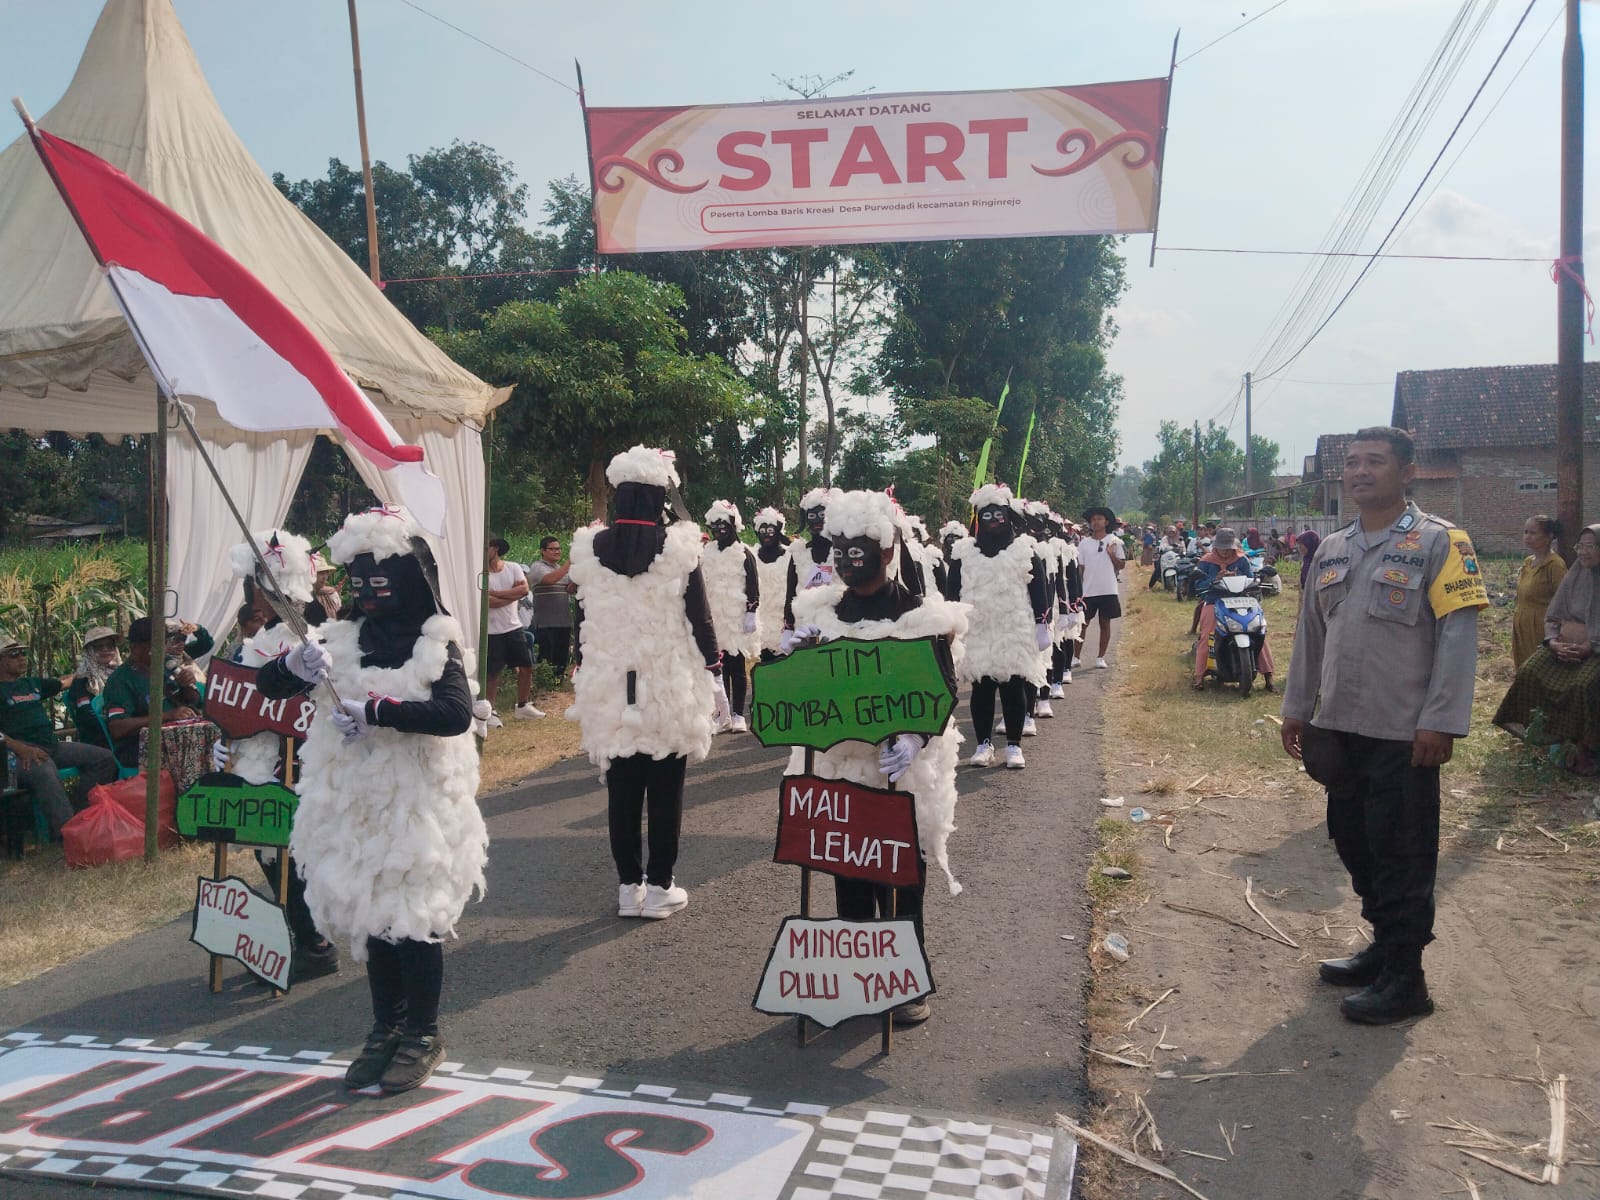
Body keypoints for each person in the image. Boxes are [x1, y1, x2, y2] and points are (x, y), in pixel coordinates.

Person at [257, 505, 485, 1093]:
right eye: (358, 579)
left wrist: (378, 710)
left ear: (408, 577)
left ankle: (423, 1033)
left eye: (379, 576)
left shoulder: (435, 640)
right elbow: (268, 685)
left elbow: (455, 713)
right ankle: (386, 1027)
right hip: (354, 805)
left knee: (412, 919)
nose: (367, 589)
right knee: (372, 917)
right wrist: (295, 662)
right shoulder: (339, 638)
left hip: (417, 807)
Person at [1280, 426, 1486, 1025]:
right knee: (1354, 840)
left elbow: (1458, 638)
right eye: (1352, 463)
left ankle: (1406, 977)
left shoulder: (1442, 542)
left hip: (1403, 733)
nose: (1360, 472)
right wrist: (1297, 706)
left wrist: (1441, 721)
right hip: (1340, 728)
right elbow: (1310, 634)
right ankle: (1383, 946)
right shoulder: (1332, 548)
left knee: (1402, 852)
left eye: (1375, 461)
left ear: (1407, 472)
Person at [782, 488, 967, 1026]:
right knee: (848, 871)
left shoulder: (921, 616)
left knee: (902, 876)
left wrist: (914, 738)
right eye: (839, 550)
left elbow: (944, 688)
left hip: (901, 772)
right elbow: (802, 695)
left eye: (857, 550)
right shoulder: (823, 612)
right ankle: (858, 972)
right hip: (841, 768)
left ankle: (905, 982)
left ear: (886, 552)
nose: (846, 560)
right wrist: (796, 660)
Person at [568, 446, 721, 921]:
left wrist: (581, 663)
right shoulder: (679, 547)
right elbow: (700, 618)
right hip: (667, 684)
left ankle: (627, 886)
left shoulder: (590, 548)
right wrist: (714, 669)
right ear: (658, 497)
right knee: (666, 789)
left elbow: (582, 619)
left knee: (622, 791)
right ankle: (660, 886)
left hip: (610, 686)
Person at [216, 528, 341, 983]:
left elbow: (304, 707)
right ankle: (304, 937)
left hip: (290, 766)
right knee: (272, 853)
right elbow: (239, 700)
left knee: (284, 854)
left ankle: (314, 944)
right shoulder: (265, 638)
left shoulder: (301, 639)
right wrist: (229, 739)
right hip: (261, 763)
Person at [948, 485, 1051, 769]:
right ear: (978, 518)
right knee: (981, 688)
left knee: (1013, 687)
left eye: (998, 514)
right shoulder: (963, 553)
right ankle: (983, 744)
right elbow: (952, 592)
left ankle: (1014, 745)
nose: (993, 520)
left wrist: (1042, 623)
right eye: (987, 515)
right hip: (977, 630)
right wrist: (950, 625)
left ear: (1007, 515)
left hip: (1014, 628)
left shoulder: (1024, 550)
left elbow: (1039, 589)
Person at [1495, 523, 1600, 772]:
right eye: (1580, 546)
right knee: (1530, 671)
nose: (1583, 552)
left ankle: (1584, 749)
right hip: (1563, 646)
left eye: (1591, 546)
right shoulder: (1575, 576)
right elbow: (1553, 615)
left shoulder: (1557, 566)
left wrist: (1589, 647)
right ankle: (1538, 733)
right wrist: (1553, 642)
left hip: (1594, 652)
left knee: (1583, 685)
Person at [0, 630, 118, 836]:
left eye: (23, 652)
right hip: (14, 755)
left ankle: (83, 815)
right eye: (14, 654)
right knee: (45, 771)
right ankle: (69, 834)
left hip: (51, 746)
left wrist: (89, 671)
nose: (22, 657)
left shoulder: (31, 684)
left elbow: (64, 682)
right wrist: (21, 749)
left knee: (104, 758)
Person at [102, 617, 203, 769]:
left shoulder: (166, 665)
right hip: (140, 746)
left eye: (165, 642)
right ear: (136, 648)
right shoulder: (120, 680)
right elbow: (117, 728)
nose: (164, 648)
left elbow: (194, 700)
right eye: (157, 644)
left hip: (180, 734)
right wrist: (167, 716)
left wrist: (186, 685)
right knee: (196, 750)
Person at [1190, 527, 1277, 691]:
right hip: (1215, 601)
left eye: (1228, 548)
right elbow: (1199, 584)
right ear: (1216, 546)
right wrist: (1215, 578)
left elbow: (1251, 579)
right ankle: (1199, 675)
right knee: (1207, 634)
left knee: (1258, 631)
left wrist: (1243, 578)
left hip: (1242, 601)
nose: (1225, 551)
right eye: (1222, 548)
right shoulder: (1207, 561)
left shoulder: (1242, 560)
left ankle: (1268, 675)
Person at [701, 499, 759, 732]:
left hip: (736, 619)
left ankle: (737, 714)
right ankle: (723, 714)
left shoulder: (744, 553)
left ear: (733, 525)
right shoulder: (707, 552)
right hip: (714, 619)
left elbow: (753, 584)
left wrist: (751, 612)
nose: (719, 530)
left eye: (723, 525)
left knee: (737, 667)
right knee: (719, 667)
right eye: (715, 526)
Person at [484, 537, 540, 723]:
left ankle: (522, 706)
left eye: (487, 547)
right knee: (492, 673)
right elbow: (487, 602)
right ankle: (491, 711)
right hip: (491, 631)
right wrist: (511, 595)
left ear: (496, 549)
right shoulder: (481, 574)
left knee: (526, 666)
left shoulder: (513, 567)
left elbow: (524, 590)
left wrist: (496, 594)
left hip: (513, 627)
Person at [782, 487, 841, 642]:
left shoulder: (842, 551)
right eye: (812, 516)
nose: (816, 520)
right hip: (805, 629)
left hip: (838, 627)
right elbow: (790, 593)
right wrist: (788, 626)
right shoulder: (799, 553)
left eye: (821, 515)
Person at [1511, 515, 1566, 669]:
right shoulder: (1528, 562)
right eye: (1526, 532)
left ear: (1548, 537)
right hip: (1521, 623)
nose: (1527, 537)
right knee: (1521, 667)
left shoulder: (1555, 565)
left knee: (1538, 668)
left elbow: (1563, 599)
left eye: (1533, 533)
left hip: (1540, 626)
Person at [1078, 505, 1125, 669]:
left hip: (1108, 589)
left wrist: (1111, 554)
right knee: (1082, 624)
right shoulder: (1084, 544)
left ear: (1106, 522)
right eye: (1093, 519)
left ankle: (1100, 657)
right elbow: (1081, 568)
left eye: (1099, 519)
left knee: (1105, 623)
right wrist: (1077, 589)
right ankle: (1076, 657)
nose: (1095, 522)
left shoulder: (1115, 541)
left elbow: (1121, 565)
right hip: (1088, 590)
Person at [524, 536, 575, 679]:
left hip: (564, 621)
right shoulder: (537, 567)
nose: (557, 552)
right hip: (546, 622)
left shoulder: (560, 569)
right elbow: (550, 579)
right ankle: (544, 685)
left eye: (558, 549)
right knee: (546, 658)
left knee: (561, 660)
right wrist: (568, 564)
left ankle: (558, 682)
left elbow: (570, 589)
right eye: (552, 549)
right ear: (543, 551)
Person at [67, 624, 123, 747]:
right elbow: (88, 716)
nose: (105, 649)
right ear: (90, 651)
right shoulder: (82, 680)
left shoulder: (123, 673)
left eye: (109, 645)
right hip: (100, 739)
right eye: (99, 647)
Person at [752, 507, 791, 661]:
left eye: (770, 530)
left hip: (783, 618)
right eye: (762, 531)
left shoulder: (790, 555)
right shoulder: (752, 556)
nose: (766, 534)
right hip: (761, 617)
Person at [1295, 523, 1322, 590]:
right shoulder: (1306, 560)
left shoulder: (1320, 561)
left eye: (1302, 544)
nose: (1299, 547)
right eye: (1298, 544)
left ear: (1310, 544)